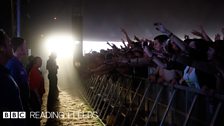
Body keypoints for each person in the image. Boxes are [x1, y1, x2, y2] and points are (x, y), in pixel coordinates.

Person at [0, 29, 25, 126]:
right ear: (1, 48)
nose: (12, 47)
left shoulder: (5, 73)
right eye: (9, 44)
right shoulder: (2, 78)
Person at [6, 37, 30, 112]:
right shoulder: (13, 64)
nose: (26, 48)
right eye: (25, 45)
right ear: (20, 48)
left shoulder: (19, 63)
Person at [28, 56, 45, 126]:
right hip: (35, 97)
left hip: (35, 96)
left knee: (36, 114)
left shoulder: (36, 70)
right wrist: (38, 98)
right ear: (36, 62)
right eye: (40, 61)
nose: (41, 62)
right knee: (36, 114)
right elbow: (34, 87)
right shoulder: (35, 71)